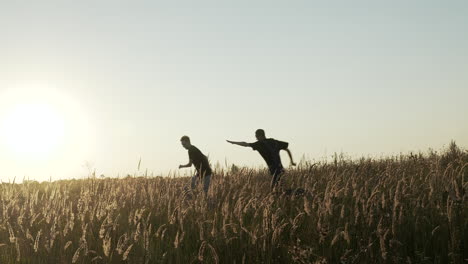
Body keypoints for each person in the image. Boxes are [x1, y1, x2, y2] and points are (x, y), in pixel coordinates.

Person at [227, 129, 296, 189]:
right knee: (280, 190)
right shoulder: (273, 141)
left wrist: (233, 143)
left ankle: (301, 192)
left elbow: (245, 144)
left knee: (275, 190)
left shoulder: (259, 144)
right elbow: (287, 149)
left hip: (275, 170)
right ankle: (298, 193)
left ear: (259, 135)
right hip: (280, 169)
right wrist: (291, 161)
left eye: (256, 136)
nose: (256, 137)